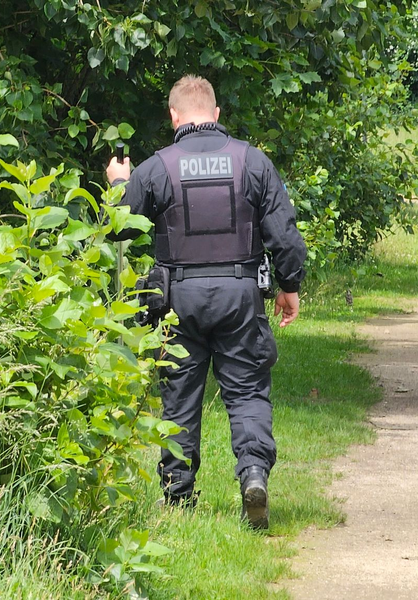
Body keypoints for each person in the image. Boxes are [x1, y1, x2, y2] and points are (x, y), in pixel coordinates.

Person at [106, 75, 307, 530]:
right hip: (240, 295)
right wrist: (289, 285)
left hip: (177, 299)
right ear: (216, 114)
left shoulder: (157, 167)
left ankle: (177, 497)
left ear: (174, 116)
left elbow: (118, 227)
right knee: (247, 392)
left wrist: (118, 184)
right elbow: (284, 235)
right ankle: (253, 475)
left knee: (179, 396)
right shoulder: (252, 161)